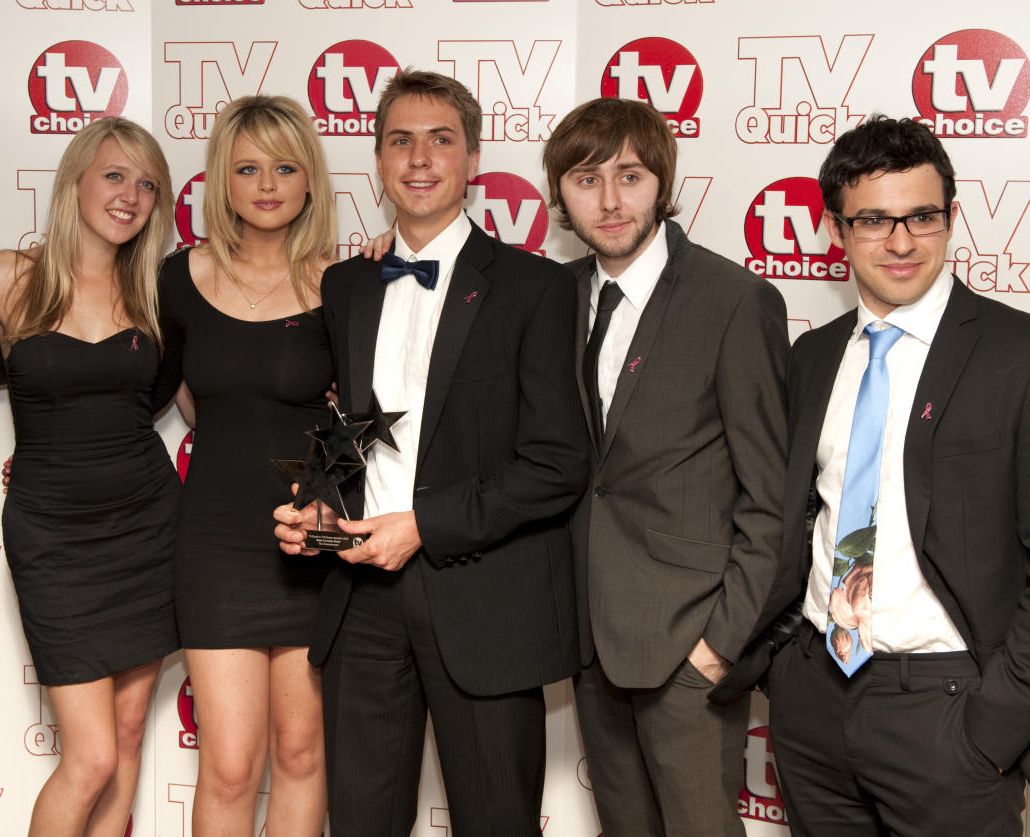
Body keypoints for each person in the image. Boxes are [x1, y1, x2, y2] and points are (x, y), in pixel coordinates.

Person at [274, 70, 589, 836]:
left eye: (440, 139)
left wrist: (422, 525)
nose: (419, 158)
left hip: (482, 597)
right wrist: (322, 500)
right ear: (378, 162)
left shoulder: (534, 287)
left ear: (473, 159)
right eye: (400, 141)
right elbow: (356, 425)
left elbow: (557, 460)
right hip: (361, 600)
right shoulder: (346, 284)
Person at [748, 115, 1030, 836]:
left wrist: (995, 724)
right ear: (835, 229)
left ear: (951, 217)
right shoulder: (811, 358)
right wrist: (782, 668)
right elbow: (790, 516)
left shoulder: (1015, 353)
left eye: (922, 217)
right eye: (873, 219)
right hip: (813, 698)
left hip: (946, 711)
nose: (901, 242)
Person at [541, 96, 788, 837]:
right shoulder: (553, 297)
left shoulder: (735, 300)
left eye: (630, 176)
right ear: (561, 196)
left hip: (689, 649)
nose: (610, 201)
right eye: (587, 179)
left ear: (663, 182)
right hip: (589, 643)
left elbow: (770, 496)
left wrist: (717, 648)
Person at [0, 117, 178, 836]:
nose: (131, 194)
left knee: (127, 736)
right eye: (115, 174)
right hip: (52, 540)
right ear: (75, 180)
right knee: (90, 755)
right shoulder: (9, 278)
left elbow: (215, 387)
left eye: (148, 183)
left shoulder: (161, 294)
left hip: (148, 530)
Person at [155, 95, 334, 837]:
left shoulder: (344, 282)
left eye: (286, 167)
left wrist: (323, 504)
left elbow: (364, 414)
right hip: (217, 540)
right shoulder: (175, 278)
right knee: (230, 765)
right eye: (248, 168)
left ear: (309, 181)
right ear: (220, 181)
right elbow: (193, 402)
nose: (267, 184)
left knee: (301, 750)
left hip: (316, 538)